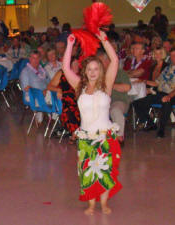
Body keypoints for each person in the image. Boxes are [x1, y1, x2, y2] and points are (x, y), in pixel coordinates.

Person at [62, 31, 122, 215]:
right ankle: (91, 204)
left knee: (105, 172)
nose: (93, 72)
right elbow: (65, 67)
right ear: (85, 71)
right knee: (87, 172)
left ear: (101, 70)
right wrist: (70, 44)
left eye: (96, 69)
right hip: (86, 138)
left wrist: (104, 40)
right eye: (90, 69)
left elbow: (115, 61)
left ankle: (103, 204)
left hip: (105, 136)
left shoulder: (107, 85)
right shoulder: (78, 86)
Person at [132, 48, 175, 138]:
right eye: (171, 55)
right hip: (161, 93)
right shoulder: (168, 68)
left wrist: (169, 96)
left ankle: (161, 129)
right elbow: (157, 82)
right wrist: (143, 81)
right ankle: (151, 123)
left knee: (166, 102)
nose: (173, 57)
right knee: (137, 103)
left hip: (172, 94)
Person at [98, 49, 131, 145]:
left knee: (115, 110)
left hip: (118, 100)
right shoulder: (98, 74)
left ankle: (119, 136)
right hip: (102, 102)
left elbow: (126, 87)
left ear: (107, 61)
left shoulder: (120, 73)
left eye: (100, 62)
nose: (98, 64)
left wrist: (109, 84)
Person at [46, 56, 80, 143]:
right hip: (65, 102)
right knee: (70, 110)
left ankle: (76, 135)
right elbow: (49, 86)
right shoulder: (62, 73)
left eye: (78, 64)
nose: (77, 66)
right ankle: (75, 134)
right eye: (75, 64)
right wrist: (58, 89)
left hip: (79, 101)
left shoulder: (81, 75)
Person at [20, 50, 50, 124]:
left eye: (37, 58)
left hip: (46, 92)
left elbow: (50, 82)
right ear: (30, 59)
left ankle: (54, 119)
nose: (35, 60)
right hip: (32, 95)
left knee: (57, 96)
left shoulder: (43, 70)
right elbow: (26, 88)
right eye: (33, 58)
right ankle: (43, 119)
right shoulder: (25, 71)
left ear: (40, 59)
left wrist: (46, 90)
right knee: (44, 98)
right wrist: (40, 92)